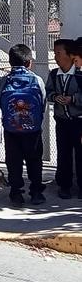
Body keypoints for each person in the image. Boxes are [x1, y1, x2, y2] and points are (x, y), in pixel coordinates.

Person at [0, 44, 47, 206]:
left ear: (10, 62)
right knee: (34, 159)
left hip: (11, 129)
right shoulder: (37, 80)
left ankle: (16, 193)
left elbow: (1, 102)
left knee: (13, 161)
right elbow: (43, 103)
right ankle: (36, 192)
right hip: (32, 130)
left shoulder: (5, 80)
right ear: (29, 62)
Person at [46, 39, 82, 200]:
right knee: (63, 154)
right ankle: (64, 186)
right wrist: (55, 97)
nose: (56, 57)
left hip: (79, 123)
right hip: (62, 122)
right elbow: (48, 92)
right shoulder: (54, 74)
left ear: (70, 55)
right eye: (54, 54)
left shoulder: (80, 75)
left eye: (58, 53)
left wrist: (73, 99)